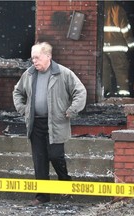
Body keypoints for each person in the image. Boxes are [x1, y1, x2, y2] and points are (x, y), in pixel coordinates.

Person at [13, 42, 87, 205]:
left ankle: (65, 182)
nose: (34, 61)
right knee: (39, 160)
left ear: (48, 56)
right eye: (32, 58)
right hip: (35, 124)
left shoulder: (63, 73)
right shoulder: (29, 74)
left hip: (56, 123)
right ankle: (42, 196)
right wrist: (23, 109)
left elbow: (80, 91)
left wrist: (72, 110)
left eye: (37, 57)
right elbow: (17, 92)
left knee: (55, 155)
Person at [103, 1, 134, 97]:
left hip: (103, 47)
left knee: (105, 72)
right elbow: (125, 28)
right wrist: (131, 45)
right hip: (117, 47)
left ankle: (105, 93)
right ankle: (123, 94)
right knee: (121, 71)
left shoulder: (100, 8)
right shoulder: (118, 9)